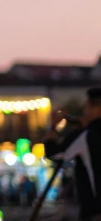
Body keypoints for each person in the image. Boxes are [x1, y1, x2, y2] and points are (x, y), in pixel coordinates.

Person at [44, 87, 101, 221]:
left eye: (86, 108)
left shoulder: (86, 135)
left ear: (94, 108)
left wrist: (53, 127)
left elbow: (54, 154)